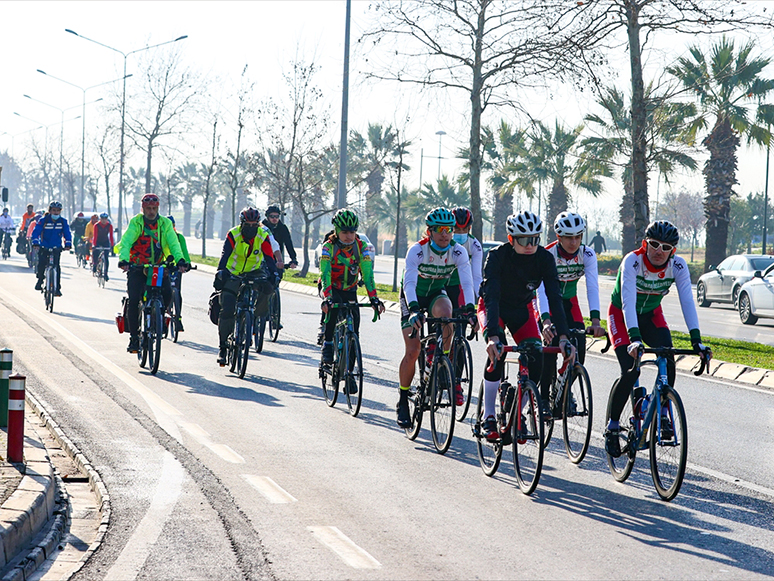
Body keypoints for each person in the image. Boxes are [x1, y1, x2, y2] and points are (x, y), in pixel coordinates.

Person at [604, 220, 711, 457]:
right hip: (622, 316)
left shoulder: (678, 266)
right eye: (654, 245)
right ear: (645, 244)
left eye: (666, 247)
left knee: (667, 357)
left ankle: (662, 410)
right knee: (631, 371)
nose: (659, 251)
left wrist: (697, 341)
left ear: (673, 250)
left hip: (652, 316)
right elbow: (627, 302)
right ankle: (612, 427)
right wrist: (634, 338)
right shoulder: (632, 261)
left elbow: (687, 303)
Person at [478, 211, 576, 441]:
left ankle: (516, 411)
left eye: (535, 239)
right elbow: (490, 297)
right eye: (524, 240)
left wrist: (563, 336)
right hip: (495, 308)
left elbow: (554, 297)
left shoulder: (544, 258)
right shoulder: (497, 256)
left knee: (537, 357)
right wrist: (492, 335)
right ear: (511, 239)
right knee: (497, 352)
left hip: (521, 309)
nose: (530, 245)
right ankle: (489, 415)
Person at [395, 207, 477, 428]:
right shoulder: (417, 251)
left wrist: (471, 310)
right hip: (412, 297)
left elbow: (468, 283)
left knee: (447, 315)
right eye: (440, 229)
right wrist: (413, 310)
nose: (445, 234)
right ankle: (403, 399)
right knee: (413, 351)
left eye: (449, 230)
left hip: (434, 294)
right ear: (429, 231)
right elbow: (409, 283)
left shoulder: (457, 252)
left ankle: (442, 362)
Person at [536, 212, 606, 412]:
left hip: (570, 303)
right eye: (568, 237)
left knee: (579, 351)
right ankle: (542, 398)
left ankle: (563, 388)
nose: (573, 242)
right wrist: (546, 321)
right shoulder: (548, 254)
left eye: (578, 237)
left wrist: (595, 321)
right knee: (550, 346)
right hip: (547, 302)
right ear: (558, 237)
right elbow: (541, 291)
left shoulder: (588, 254)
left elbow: (592, 287)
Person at [117, 194, 187, 354]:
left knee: (168, 292)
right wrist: (124, 260)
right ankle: (134, 338)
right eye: (148, 208)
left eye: (154, 208)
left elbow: (173, 243)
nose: (151, 211)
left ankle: (159, 319)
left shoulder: (165, 223)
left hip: (158, 266)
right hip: (137, 266)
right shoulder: (136, 222)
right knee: (134, 300)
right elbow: (126, 242)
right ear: (143, 209)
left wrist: (180, 260)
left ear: (158, 208)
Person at [318, 209, 384, 365]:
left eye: (352, 232)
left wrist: (374, 298)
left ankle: (350, 372)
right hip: (331, 287)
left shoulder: (362, 247)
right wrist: (327, 297)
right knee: (333, 308)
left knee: (354, 329)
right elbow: (325, 273)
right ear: (337, 231)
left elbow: (368, 275)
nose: (349, 236)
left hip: (350, 289)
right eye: (345, 232)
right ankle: (327, 343)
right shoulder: (328, 247)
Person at [214, 207, 279, 365]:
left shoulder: (262, 235)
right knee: (227, 309)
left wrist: (274, 273)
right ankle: (223, 347)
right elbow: (225, 255)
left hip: (254, 272)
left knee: (269, 289)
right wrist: (220, 272)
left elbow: (269, 258)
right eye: (247, 225)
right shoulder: (233, 234)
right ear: (242, 223)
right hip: (233, 273)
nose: (251, 228)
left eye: (254, 225)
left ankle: (255, 317)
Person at [31, 201, 72, 296]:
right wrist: (35, 242)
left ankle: (57, 288)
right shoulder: (43, 220)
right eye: (54, 210)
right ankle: (40, 280)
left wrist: (68, 244)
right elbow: (36, 231)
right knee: (41, 264)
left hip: (56, 247)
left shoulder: (63, 221)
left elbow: (67, 233)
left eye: (58, 210)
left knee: (56, 267)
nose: (56, 212)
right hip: (44, 246)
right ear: (49, 211)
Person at [166, 215, 191, 331]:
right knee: (163, 290)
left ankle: (178, 318)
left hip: (177, 266)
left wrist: (187, 263)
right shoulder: (162, 236)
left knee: (177, 291)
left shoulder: (180, 237)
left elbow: (184, 251)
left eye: (173, 226)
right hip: (165, 266)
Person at [263, 205, 298, 269]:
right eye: (272, 216)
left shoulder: (282, 228)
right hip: (262, 259)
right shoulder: (262, 227)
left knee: (277, 276)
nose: (274, 219)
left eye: (277, 216)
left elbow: (288, 244)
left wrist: (293, 259)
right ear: (267, 217)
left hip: (277, 260)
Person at [91, 212, 114, 280]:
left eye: (105, 219)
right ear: (100, 219)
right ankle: (95, 265)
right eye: (102, 219)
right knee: (95, 253)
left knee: (106, 258)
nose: (104, 220)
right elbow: (95, 236)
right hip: (98, 241)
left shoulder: (109, 226)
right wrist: (94, 245)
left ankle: (106, 273)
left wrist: (112, 246)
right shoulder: (96, 225)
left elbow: (111, 237)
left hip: (105, 241)